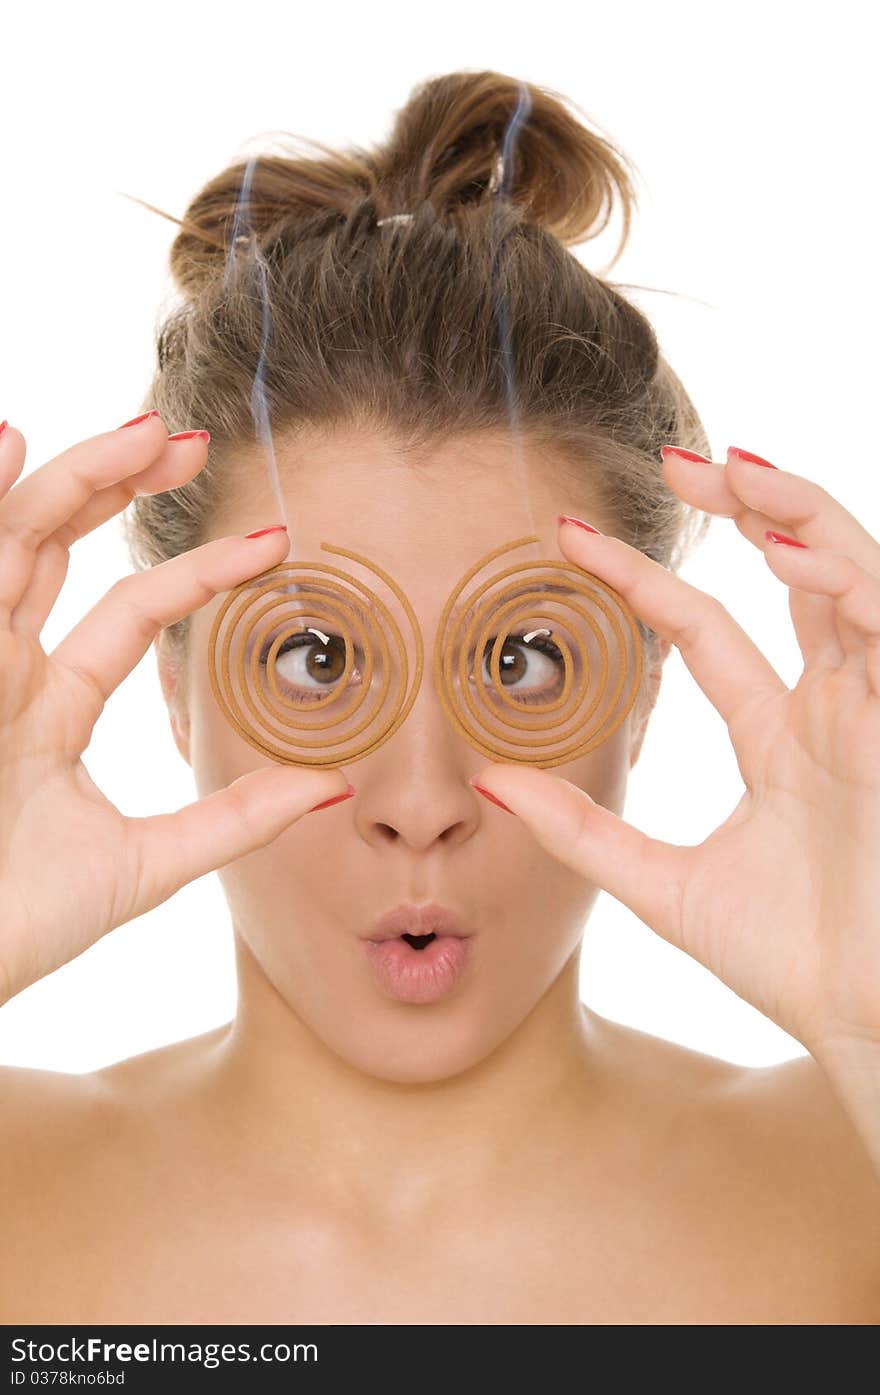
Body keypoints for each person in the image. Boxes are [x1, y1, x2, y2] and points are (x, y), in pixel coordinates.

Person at [1, 70, 878, 1326]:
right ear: (174, 687)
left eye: (521, 660)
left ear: (641, 695)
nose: (420, 803)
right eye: (317, 660)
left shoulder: (855, 1177)